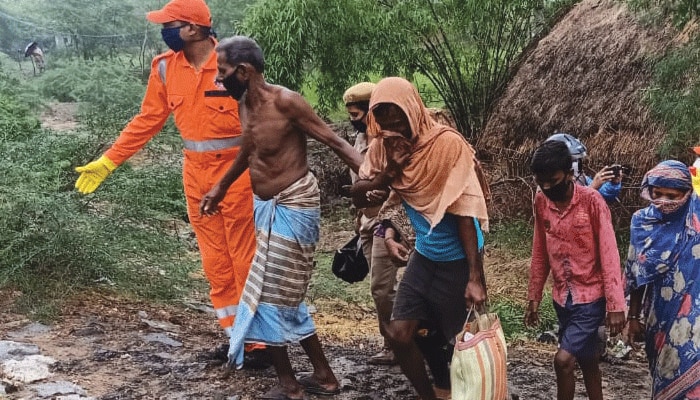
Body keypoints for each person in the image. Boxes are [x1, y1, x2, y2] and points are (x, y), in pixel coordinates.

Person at [73, 0, 267, 366]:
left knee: (245, 260)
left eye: (170, 24)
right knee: (216, 265)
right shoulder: (164, 68)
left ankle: (261, 344)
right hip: (195, 177)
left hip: (238, 176)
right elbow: (147, 120)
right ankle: (235, 340)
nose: (164, 31)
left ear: (193, 28)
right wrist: (109, 161)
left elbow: (265, 117)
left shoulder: (231, 66)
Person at [199, 35, 363, 400]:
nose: (218, 81)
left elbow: (335, 142)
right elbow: (250, 148)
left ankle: (291, 384)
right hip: (265, 208)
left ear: (244, 71)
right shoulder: (243, 104)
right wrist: (221, 187)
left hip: (295, 205)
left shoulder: (286, 101)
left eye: (222, 73)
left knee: (268, 294)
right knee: (277, 293)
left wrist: (372, 181)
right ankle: (322, 376)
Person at [350, 76, 489, 400]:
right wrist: (388, 172)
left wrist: (474, 276)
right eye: (382, 116)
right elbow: (360, 197)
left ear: (413, 109)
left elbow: (465, 212)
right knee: (400, 334)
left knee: (462, 344)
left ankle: (471, 391)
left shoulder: (446, 145)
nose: (390, 123)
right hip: (425, 255)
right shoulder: (383, 148)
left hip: (458, 257)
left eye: (396, 115)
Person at [524, 140, 626, 400]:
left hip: (590, 297)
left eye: (553, 181)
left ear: (570, 174)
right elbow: (540, 250)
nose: (547, 188)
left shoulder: (592, 201)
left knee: (563, 361)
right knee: (588, 359)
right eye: (541, 182)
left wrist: (615, 304)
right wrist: (534, 297)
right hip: (562, 297)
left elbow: (609, 252)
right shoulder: (541, 201)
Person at [624, 160, 700, 400]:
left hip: (696, 316)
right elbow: (636, 273)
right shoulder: (642, 222)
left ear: (687, 194)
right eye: (658, 194)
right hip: (659, 315)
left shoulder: (696, 221)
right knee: (665, 373)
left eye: (673, 195)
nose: (665, 202)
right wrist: (633, 318)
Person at [343, 81, 398, 366]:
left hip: (386, 221)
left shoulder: (387, 142)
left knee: (382, 287)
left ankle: (396, 343)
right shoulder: (360, 140)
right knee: (381, 288)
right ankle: (398, 339)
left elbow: (399, 182)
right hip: (367, 221)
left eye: (357, 115)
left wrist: (384, 194)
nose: (354, 121)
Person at [546, 132, 623, 203]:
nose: (575, 163)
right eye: (572, 160)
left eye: (576, 160)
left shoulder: (581, 178)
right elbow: (568, 208)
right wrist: (592, 188)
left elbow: (604, 196)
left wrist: (613, 184)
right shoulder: (548, 187)